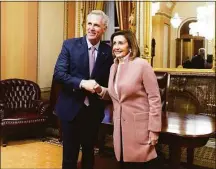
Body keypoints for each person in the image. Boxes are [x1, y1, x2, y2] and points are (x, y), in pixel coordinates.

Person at [53, 10, 113, 169]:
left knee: (89, 155)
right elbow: (59, 74)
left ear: (104, 28)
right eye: (89, 24)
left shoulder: (109, 52)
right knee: (69, 157)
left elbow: (111, 81)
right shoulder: (70, 45)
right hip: (71, 108)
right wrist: (81, 83)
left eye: (97, 25)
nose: (92, 28)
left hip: (93, 112)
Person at [94, 30, 162, 169]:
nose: (116, 47)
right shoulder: (113, 67)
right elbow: (116, 96)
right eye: (114, 43)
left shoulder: (142, 65)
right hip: (119, 129)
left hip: (140, 129)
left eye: (120, 43)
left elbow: (155, 99)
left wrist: (154, 130)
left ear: (130, 46)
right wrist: (100, 89)